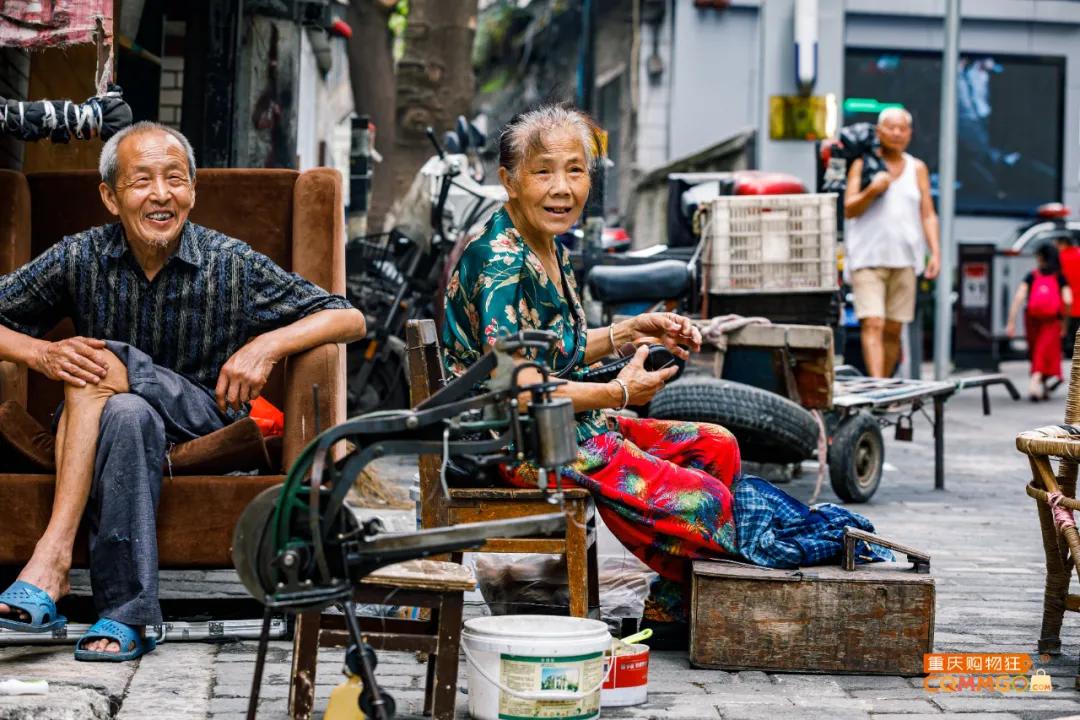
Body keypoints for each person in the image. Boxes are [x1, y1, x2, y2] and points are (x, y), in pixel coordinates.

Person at [0, 122, 365, 659]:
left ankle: (52, 558)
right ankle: (128, 617)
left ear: (193, 191)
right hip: (103, 427)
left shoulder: (229, 263)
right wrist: (40, 353)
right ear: (110, 196)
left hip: (201, 415)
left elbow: (348, 316)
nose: (161, 194)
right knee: (125, 410)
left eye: (175, 178)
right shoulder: (79, 257)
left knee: (99, 361)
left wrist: (266, 345)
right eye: (142, 180)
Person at [441, 105, 741, 583]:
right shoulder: (497, 261)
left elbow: (560, 350)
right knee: (706, 502)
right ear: (510, 180)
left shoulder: (549, 246)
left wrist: (631, 330)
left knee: (715, 446)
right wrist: (618, 393)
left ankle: (675, 605)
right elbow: (521, 389)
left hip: (566, 426)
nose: (563, 188)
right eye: (543, 172)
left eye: (575, 171)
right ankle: (698, 600)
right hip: (516, 444)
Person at [844, 107, 941, 378]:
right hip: (867, 258)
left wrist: (935, 253)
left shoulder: (917, 168)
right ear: (879, 131)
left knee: (893, 329)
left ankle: (884, 385)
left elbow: (928, 213)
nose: (897, 133)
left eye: (902, 129)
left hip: (905, 258)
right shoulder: (863, 164)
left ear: (910, 134)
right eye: (891, 127)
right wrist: (872, 190)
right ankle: (876, 386)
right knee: (873, 322)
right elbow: (848, 208)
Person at [1006, 244, 1072, 401]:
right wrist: (1065, 321)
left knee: (1037, 351)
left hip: (1032, 320)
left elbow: (1019, 297)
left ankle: (1039, 385)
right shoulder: (1059, 277)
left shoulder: (1032, 275)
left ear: (1041, 258)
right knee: (1046, 352)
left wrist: (1011, 321)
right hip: (1052, 320)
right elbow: (1068, 300)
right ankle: (1035, 384)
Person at [1054, 234, 1080, 357]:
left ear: (1063, 243)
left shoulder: (1060, 257)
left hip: (1066, 297)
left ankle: (1068, 349)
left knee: (1066, 327)